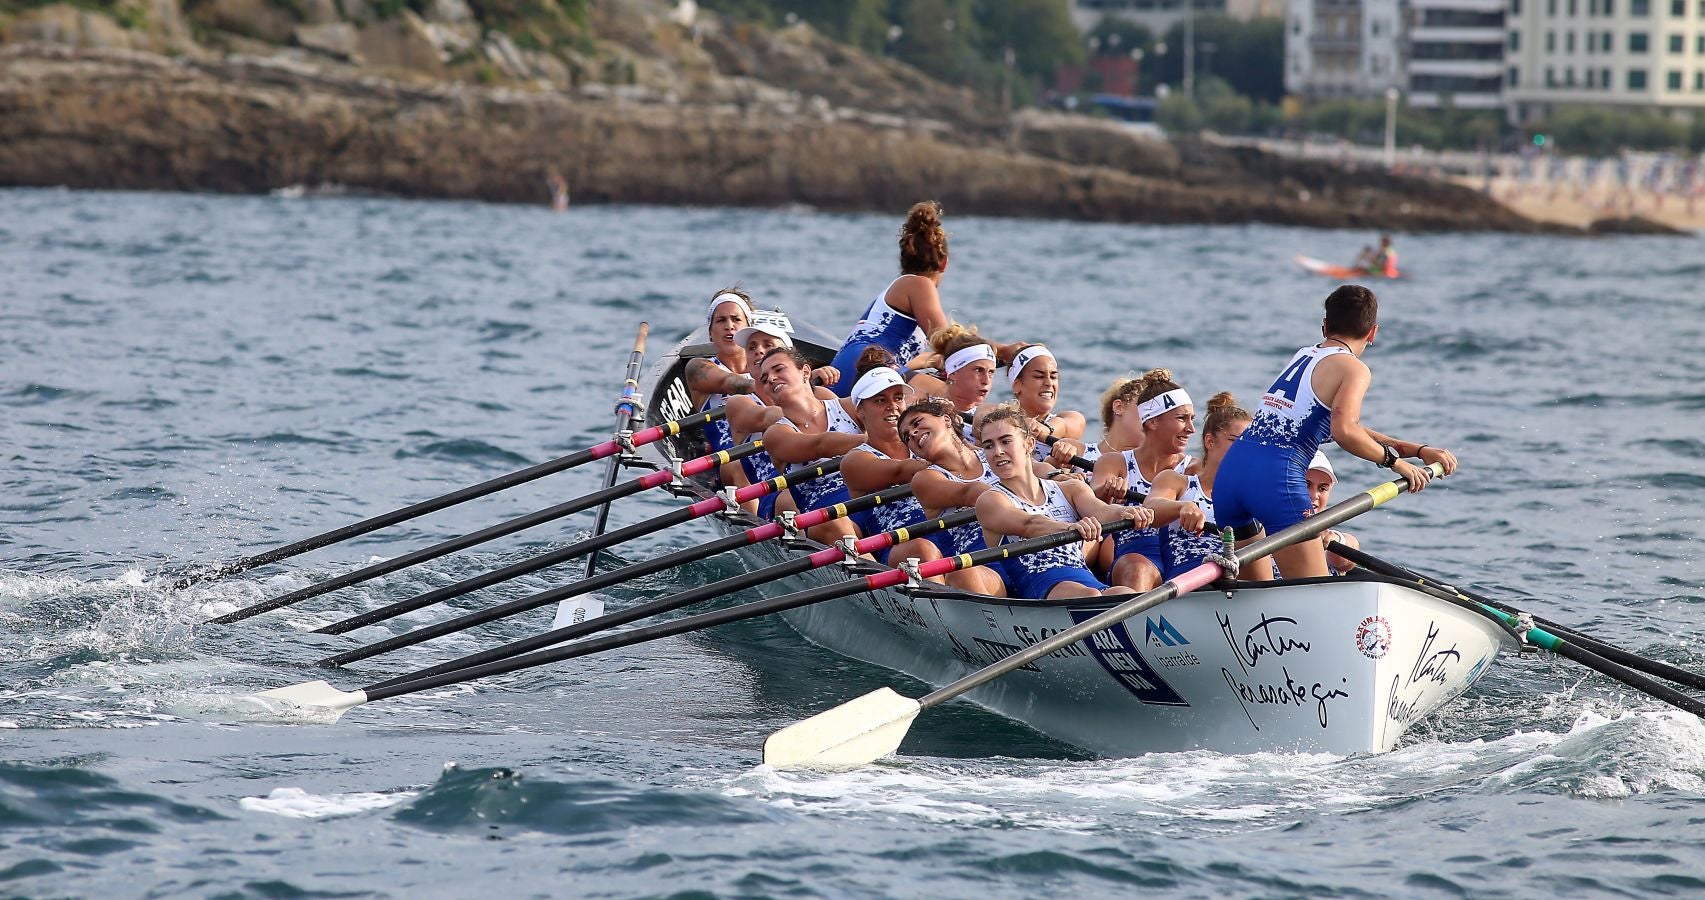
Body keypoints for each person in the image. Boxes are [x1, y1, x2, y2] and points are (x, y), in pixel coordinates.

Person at [1213, 285, 1458, 580]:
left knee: (1254, 599)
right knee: (1312, 592)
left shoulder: (1305, 355)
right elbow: (1345, 431)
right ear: (1373, 333)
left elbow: (1344, 426)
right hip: (1274, 480)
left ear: (1325, 326)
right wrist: (1397, 464)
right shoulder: (1354, 369)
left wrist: (1418, 450)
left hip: (1230, 475)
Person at [975, 405, 1150, 601]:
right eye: (989, 446)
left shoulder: (1069, 489)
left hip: (1088, 582)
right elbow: (1029, 524)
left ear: (1029, 444)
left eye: (1006, 441)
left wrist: (1129, 513)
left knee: (1127, 594)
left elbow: (1103, 511)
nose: (997, 452)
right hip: (1041, 587)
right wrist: (1070, 527)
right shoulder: (990, 500)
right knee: (1089, 595)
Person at [825, 201, 954, 395]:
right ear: (944, 264)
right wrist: (1001, 350)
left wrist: (931, 360)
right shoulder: (919, 284)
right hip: (870, 365)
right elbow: (950, 343)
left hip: (847, 367)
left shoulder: (897, 289)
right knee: (957, 396)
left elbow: (896, 355)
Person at [1090, 369, 1199, 591]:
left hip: (1186, 553)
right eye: (1181, 418)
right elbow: (1092, 503)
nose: (1191, 429)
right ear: (1152, 422)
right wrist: (1106, 492)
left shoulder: (1195, 468)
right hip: (1135, 554)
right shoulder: (1115, 463)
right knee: (1138, 568)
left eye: (1192, 419)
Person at [760, 347, 867, 545]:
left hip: (871, 502)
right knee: (836, 524)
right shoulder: (776, 435)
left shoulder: (849, 408)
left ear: (806, 373)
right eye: (764, 379)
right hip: (825, 518)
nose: (771, 379)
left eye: (778, 369)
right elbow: (820, 445)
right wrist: (874, 443)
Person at [840, 350, 938, 565]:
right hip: (899, 547)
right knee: (924, 549)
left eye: (898, 398)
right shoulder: (856, 461)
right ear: (860, 411)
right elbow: (901, 471)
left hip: (944, 532)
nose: (892, 406)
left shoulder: (926, 445)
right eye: (880, 400)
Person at [902, 397, 1007, 594]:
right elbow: (973, 493)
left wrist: (1060, 477)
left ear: (946, 420)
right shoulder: (925, 479)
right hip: (984, 566)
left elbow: (1036, 471)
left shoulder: (992, 453)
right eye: (907, 437)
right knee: (963, 574)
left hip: (1025, 545)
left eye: (917, 423)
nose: (913, 434)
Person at [1145, 392, 1252, 580]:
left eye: (1250, 444)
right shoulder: (1176, 482)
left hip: (1239, 576)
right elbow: (1151, 507)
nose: (1244, 451)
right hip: (1191, 574)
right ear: (1210, 441)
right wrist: (1183, 506)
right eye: (1235, 441)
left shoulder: (1253, 495)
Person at [686, 288, 757, 461]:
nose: (729, 326)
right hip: (732, 459)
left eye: (736, 319)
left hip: (773, 445)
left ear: (748, 329)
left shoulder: (767, 367)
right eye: (721, 320)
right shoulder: (698, 367)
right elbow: (730, 382)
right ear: (710, 333)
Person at [1007, 345, 1093, 467]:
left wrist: (1046, 429)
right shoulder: (1000, 420)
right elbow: (981, 418)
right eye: (1039, 376)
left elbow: (1072, 423)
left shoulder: (1069, 418)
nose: (1049, 383)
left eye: (1053, 377)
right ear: (1017, 385)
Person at [1304, 451, 1360, 575]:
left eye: (1322, 488)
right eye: (1306, 485)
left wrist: (1335, 540)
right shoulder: (1260, 530)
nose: (1314, 496)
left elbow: (1347, 556)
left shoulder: (1328, 537)